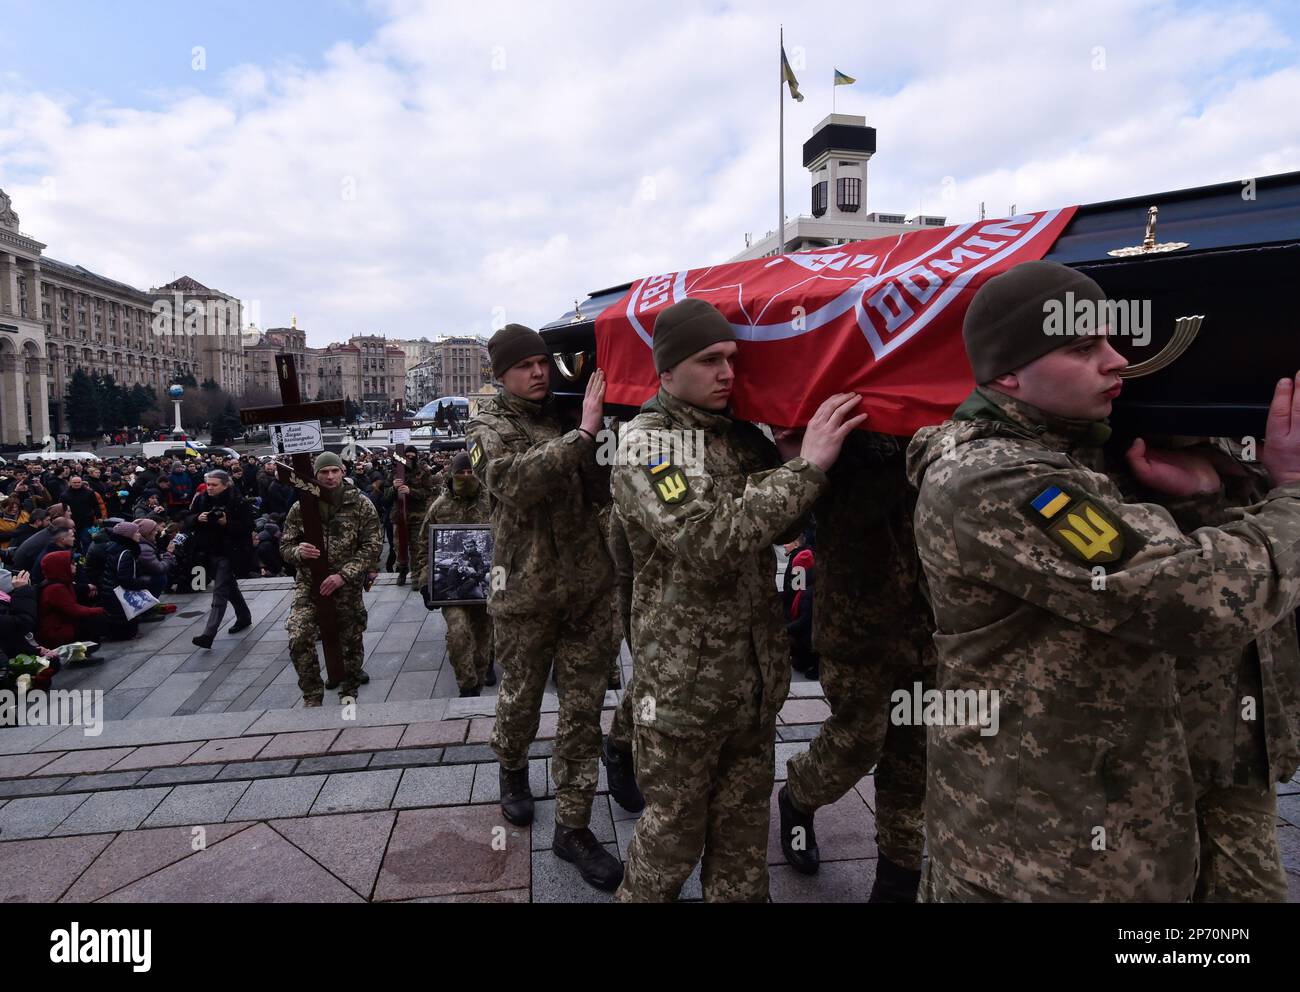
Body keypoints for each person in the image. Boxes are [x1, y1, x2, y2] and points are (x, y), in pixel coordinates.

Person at [906, 260, 1300, 902]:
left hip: (1124, 816)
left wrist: (1207, 492)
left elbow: (1160, 552)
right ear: (1009, 372)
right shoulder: (998, 479)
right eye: (1083, 348)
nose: (1119, 361)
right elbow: (1200, 599)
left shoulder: (1075, 449)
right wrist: (1293, 493)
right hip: (1040, 855)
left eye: (1113, 340)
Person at [611, 297, 865, 902]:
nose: (728, 372)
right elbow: (708, 539)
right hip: (681, 695)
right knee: (670, 843)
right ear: (667, 371)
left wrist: (782, 462)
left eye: (731, 358)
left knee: (744, 850)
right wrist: (805, 470)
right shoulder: (648, 445)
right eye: (709, 360)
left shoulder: (738, 437)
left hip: (752, 685)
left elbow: (776, 530)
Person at [466, 323, 620, 891]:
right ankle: (512, 767)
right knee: (522, 697)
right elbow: (511, 482)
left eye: (542, 362)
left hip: (588, 590)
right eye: (525, 365)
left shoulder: (571, 410)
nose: (537, 372)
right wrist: (582, 435)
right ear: (501, 374)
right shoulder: (488, 426)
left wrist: (608, 437)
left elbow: (606, 490)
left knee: (582, 711)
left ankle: (574, 826)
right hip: (524, 594)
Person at [777, 433, 933, 902]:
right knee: (856, 741)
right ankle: (797, 797)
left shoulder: (939, 428)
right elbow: (836, 517)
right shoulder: (841, 433)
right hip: (856, 624)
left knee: (913, 761)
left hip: (926, 626)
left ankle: (895, 883)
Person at [279, 452, 382, 706]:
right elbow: (285, 546)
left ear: (343, 472)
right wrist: (298, 552)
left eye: (334, 471)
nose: (329, 476)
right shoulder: (300, 506)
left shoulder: (360, 504)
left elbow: (372, 546)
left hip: (346, 585)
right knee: (298, 636)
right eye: (324, 472)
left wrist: (343, 575)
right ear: (315, 476)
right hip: (309, 584)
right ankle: (312, 696)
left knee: (351, 642)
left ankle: (348, 694)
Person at [413, 451, 495, 696]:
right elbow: (424, 547)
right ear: (451, 475)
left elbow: (509, 539)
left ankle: (480, 678)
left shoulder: (491, 501)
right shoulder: (440, 506)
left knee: (484, 640)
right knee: (459, 635)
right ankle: (467, 686)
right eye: (461, 472)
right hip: (453, 590)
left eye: (470, 472)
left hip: (486, 583)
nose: (466, 477)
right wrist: (426, 583)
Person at [187, 470, 255, 649]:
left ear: (226, 485)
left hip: (230, 552)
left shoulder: (239, 501)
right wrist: (197, 518)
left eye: (214, 485)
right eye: (208, 484)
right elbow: (185, 520)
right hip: (208, 550)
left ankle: (208, 634)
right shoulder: (201, 500)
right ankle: (244, 616)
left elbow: (247, 528)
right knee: (228, 586)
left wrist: (227, 523)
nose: (209, 488)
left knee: (219, 592)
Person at [38, 549, 107, 649]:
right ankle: (82, 652)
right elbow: (74, 610)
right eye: (71, 563)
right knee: (95, 620)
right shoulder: (55, 588)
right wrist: (99, 610)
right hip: (55, 631)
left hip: (62, 625)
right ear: (61, 566)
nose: (75, 565)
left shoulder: (63, 582)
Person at [96, 521, 151, 641]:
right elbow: (126, 580)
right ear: (128, 535)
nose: (139, 535)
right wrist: (145, 581)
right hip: (117, 595)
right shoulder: (125, 553)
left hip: (111, 592)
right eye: (136, 532)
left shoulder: (116, 548)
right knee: (126, 630)